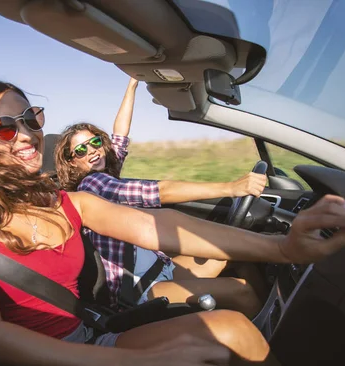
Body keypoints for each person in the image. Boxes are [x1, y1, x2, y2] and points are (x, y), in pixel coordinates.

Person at [0, 80, 345, 366]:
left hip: (89, 343)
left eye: (31, 118)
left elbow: (159, 225)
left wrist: (284, 247)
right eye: (6, 126)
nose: (26, 134)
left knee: (235, 330)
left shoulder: (63, 200)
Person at [54, 78, 268, 315]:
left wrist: (132, 85)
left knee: (236, 253)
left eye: (94, 142)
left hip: (161, 268)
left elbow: (120, 135)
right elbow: (157, 192)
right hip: (140, 290)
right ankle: (269, 341)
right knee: (241, 291)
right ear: (72, 162)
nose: (92, 151)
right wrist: (232, 187)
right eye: (81, 150)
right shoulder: (92, 184)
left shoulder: (106, 173)